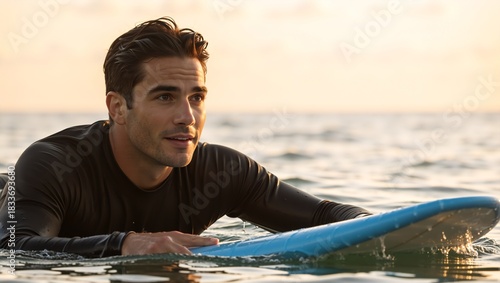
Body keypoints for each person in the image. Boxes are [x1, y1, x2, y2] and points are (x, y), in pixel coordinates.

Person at [0, 17, 370, 258]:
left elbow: (323, 216)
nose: (187, 116)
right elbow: (14, 248)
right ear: (117, 107)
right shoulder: (51, 165)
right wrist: (122, 244)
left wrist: (390, 225)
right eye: (165, 97)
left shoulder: (222, 173)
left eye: (197, 97)